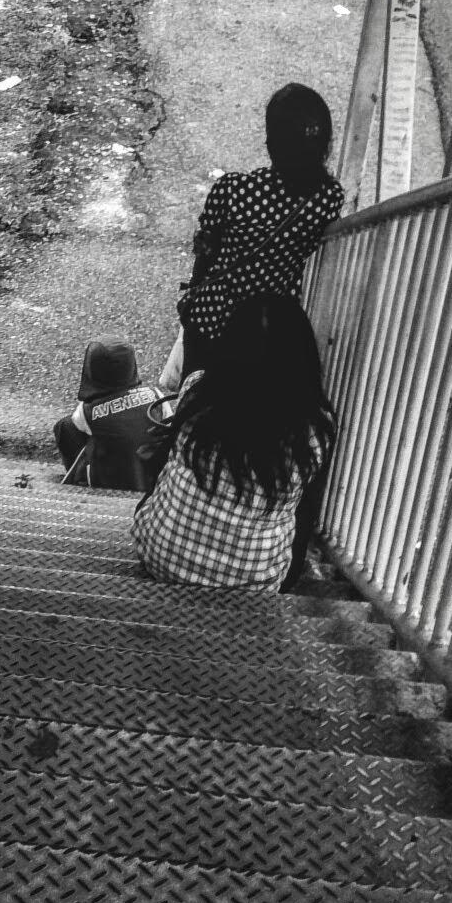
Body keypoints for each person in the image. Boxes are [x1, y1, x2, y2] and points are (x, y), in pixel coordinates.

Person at [133, 295, 335, 590]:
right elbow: (305, 513)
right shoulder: (317, 427)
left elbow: (165, 463)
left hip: (161, 556)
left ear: (228, 348)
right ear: (302, 357)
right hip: (251, 583)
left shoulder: (196, 390)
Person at [159, 81, 345, 394]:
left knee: (193, 397)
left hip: (213, 314)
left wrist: (193, 292)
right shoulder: (328, 198)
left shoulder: (232, 190)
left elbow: (205, 251)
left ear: (272, 142)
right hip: (269, 323)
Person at [53, 339, 164, 491]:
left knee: (65, 426)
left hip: (114, 482)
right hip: (157, 479)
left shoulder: (86, 411)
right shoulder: (156, 395)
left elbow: (73, 423)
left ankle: (79, 482)